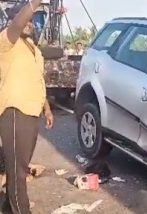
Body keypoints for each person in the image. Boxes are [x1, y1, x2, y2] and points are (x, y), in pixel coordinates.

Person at [0, 1, 54, 213]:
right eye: (26, 20)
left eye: (32, 21)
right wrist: (33, 3)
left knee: (19, 166)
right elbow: (16, 24)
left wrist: (47, 108)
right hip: (14, 112)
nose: (29, 23)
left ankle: (7, 206)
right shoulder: (6, 41)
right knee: (18, 172)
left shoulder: (34, 50)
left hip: (32, 113)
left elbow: (38, 81)